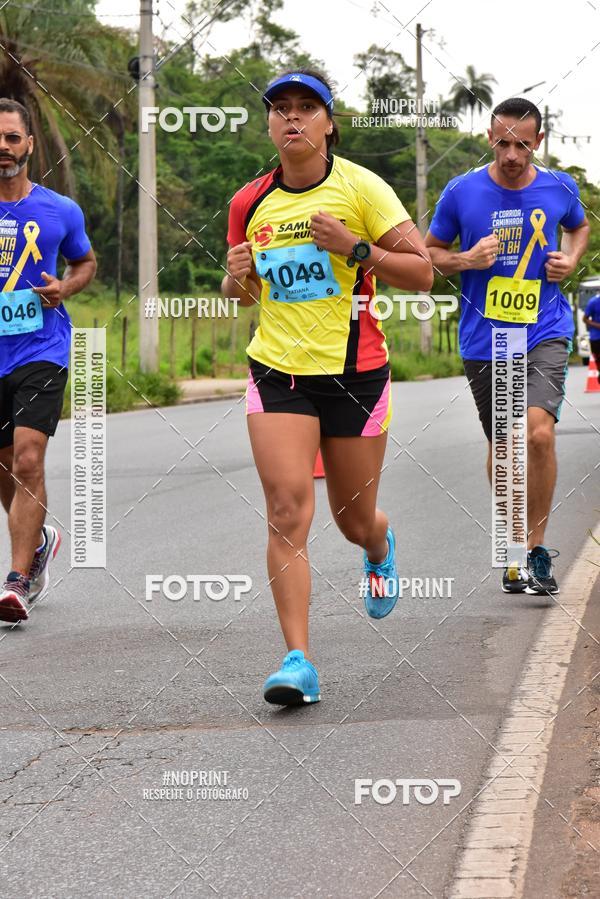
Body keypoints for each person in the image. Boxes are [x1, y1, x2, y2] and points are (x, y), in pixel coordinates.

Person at [222, 69, 433, 705]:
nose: (293, 119)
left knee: (350, 517)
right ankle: (298, 660)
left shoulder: (362, 187)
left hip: (356, 372)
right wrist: (236, 278)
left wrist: (356, 247)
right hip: (278, 371)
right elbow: (244, 295)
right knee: (287, 509)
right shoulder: (248, 203)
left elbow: (422, 274)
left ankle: (377, 542)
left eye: (306, 108)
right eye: (280, 108)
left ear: (329, 123)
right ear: (268, 124)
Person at [426, 97, 589, 596]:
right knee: (505, 447)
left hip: (544, 327)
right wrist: (467, 259)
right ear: (488, 138)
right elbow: (429, 256)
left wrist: (569, 258)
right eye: (502, 142)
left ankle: (535, 548)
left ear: (538, 141)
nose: (511, 153)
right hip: (487, 337)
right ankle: (514, 543)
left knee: (538, 435)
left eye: (522, 143)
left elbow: (578, 226)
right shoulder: (461, 191)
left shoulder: (560, 186)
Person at [0, 98, 96, 623]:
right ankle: (38, 541)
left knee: (27, 458)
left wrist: (67, 286)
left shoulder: (60, 209)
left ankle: (16, 582)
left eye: (13, 138)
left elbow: (85, 261)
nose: (4, 148)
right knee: (5, 468)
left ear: (29, 145)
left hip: (41, 348)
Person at [582, 291, 600, 382]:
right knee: (598, 360)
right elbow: (584, 319)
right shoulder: (593, 302)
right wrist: (597, 325)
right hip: (596, 337)